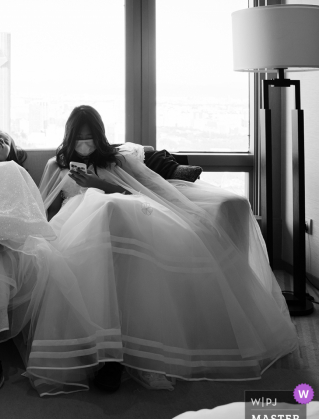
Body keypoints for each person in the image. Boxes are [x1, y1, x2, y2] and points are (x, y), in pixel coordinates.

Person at [34, 105, 298, 394]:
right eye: (79, 137)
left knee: (110, 206)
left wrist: (98, 185)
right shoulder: (56, 166)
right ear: (69, 137)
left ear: (99, 136)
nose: (85, 143)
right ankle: (110, 357)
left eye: (90, 136)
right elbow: (46, 212)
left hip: (122, 228)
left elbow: (139, 194)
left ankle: (132, 358)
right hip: (76, 231)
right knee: (100, 210)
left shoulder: (115, 162)